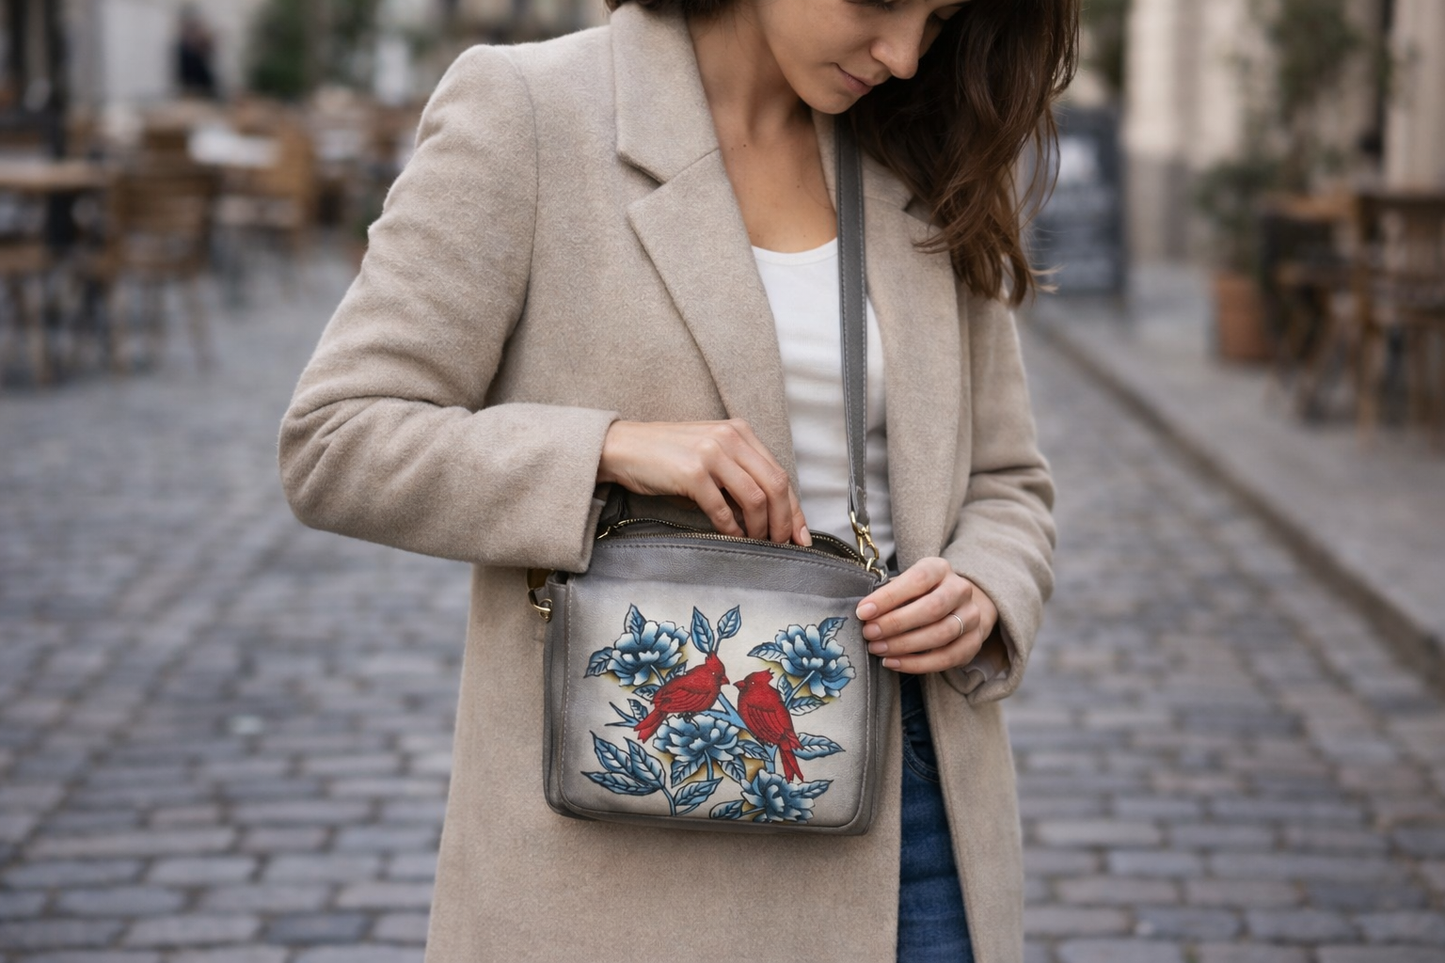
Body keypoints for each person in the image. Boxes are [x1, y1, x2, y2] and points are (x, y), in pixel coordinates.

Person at [280, 0, 1072, 959]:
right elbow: (336, 439)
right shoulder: (532, 113)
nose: (904, 55)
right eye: (877, 3)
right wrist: (609, 447)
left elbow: (1006, 477)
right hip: (624, 862)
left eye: (939, 19)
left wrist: (984, 584)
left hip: (914, 829)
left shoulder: (918, 144)